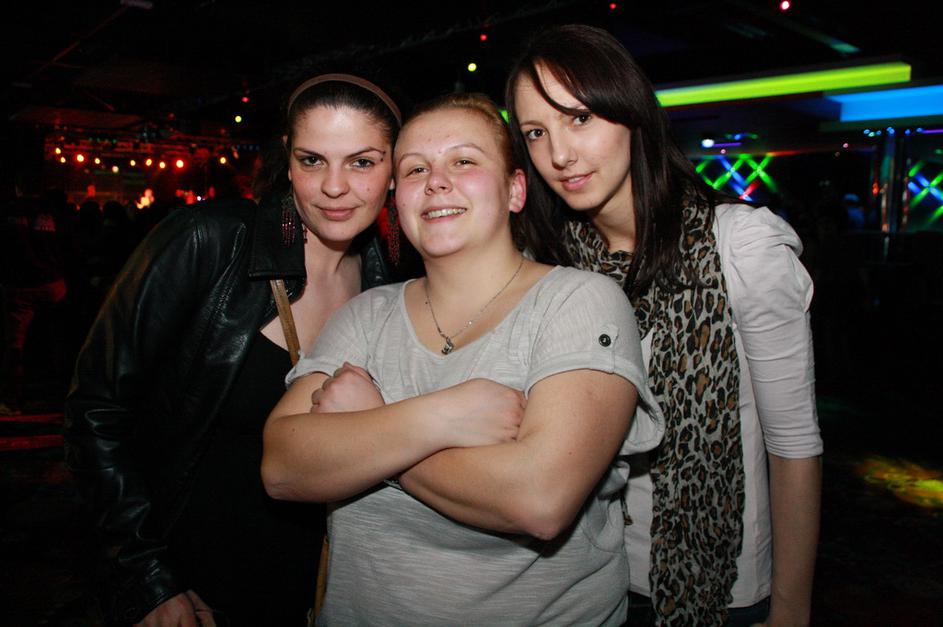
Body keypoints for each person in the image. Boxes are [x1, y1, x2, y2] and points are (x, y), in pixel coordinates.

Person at [262, 93, 664, 626]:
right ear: (396, 197)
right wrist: (437, 418)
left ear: (515, 190)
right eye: (415, 169)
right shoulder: (366, 313)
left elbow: (539, 499)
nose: (436, 181)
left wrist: (371, 423)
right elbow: (282, 466)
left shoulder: (577, 302)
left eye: (464, 161)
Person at [505, 24, 823, 627]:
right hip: (588, 579)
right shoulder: (552, 265)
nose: (559, 155)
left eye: (580, 118)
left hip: (723, 589)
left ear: (631, 115)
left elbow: (794, 445)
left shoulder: (740, 248)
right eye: (536, 133)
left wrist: (791, 609)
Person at [64, 73, 402, 626]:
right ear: (288, 160)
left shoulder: (389, 285)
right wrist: (148, 580)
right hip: (190, 591)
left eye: (362, 162)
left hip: (318, 589)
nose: (334, 187)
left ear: (394, 170)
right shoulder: (209, 242)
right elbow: (96, 410)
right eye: (313, 160)